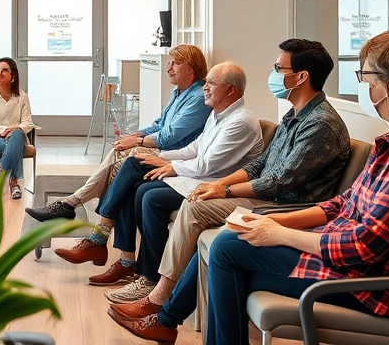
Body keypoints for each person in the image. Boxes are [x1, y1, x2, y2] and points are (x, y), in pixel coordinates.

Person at [116, 30, 389, 344]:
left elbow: (362, 247)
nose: (362, 86)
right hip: (350, 263)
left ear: (388, 87)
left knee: (225, 247)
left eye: (365, 77)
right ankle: (165, 320)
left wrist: (280, 232)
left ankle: (164, 319)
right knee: (228, 244)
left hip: (373, 286)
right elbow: (343, 205)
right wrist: (272, 227)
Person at [106, 38, 352, 329]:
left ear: (301, 77)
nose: (273, 74)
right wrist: (220, 185)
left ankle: (159, 299)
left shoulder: (320, 124)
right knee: (187, 204)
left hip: (283, 206)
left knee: (194, 208)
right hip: (267, 196)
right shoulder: (295, 115)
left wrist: (223, 189)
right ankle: (163, 311)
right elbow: (259, 166)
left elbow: (278, 182)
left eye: (278, 67)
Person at [68, 62, 264, 296]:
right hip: (194, 177)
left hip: (211, 186)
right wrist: (160, 157)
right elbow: (195, 148)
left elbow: (207, 164)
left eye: (211, 83)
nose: (205, 87)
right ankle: (125, 260)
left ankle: (144, 273)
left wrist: (168, 164)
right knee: (135, 176)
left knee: (149, 196)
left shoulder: (241, 121)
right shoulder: (218, 114)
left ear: (231, 89)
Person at [27, 44, 212, 223]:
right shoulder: (178, 92)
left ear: (192, 68)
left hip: (173, 155)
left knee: (124, 157)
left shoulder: (198, 98)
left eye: (175, 63)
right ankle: (72, 204)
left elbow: (168, 136)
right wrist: (136, 135)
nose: (169, 67)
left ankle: (74, 205)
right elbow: (160, 124)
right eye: (169, 62)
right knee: (119, 151)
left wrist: (137, 141)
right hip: (163, 148)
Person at [0, 57, 35, 200]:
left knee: (16, 137)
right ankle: (14, 184)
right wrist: (6, 131)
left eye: (4, 70)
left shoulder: (22, 97)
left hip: (16, 137)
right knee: (16, 143)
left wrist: (14, 130)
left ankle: (1, 168)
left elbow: (27, 123)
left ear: (13, 76)